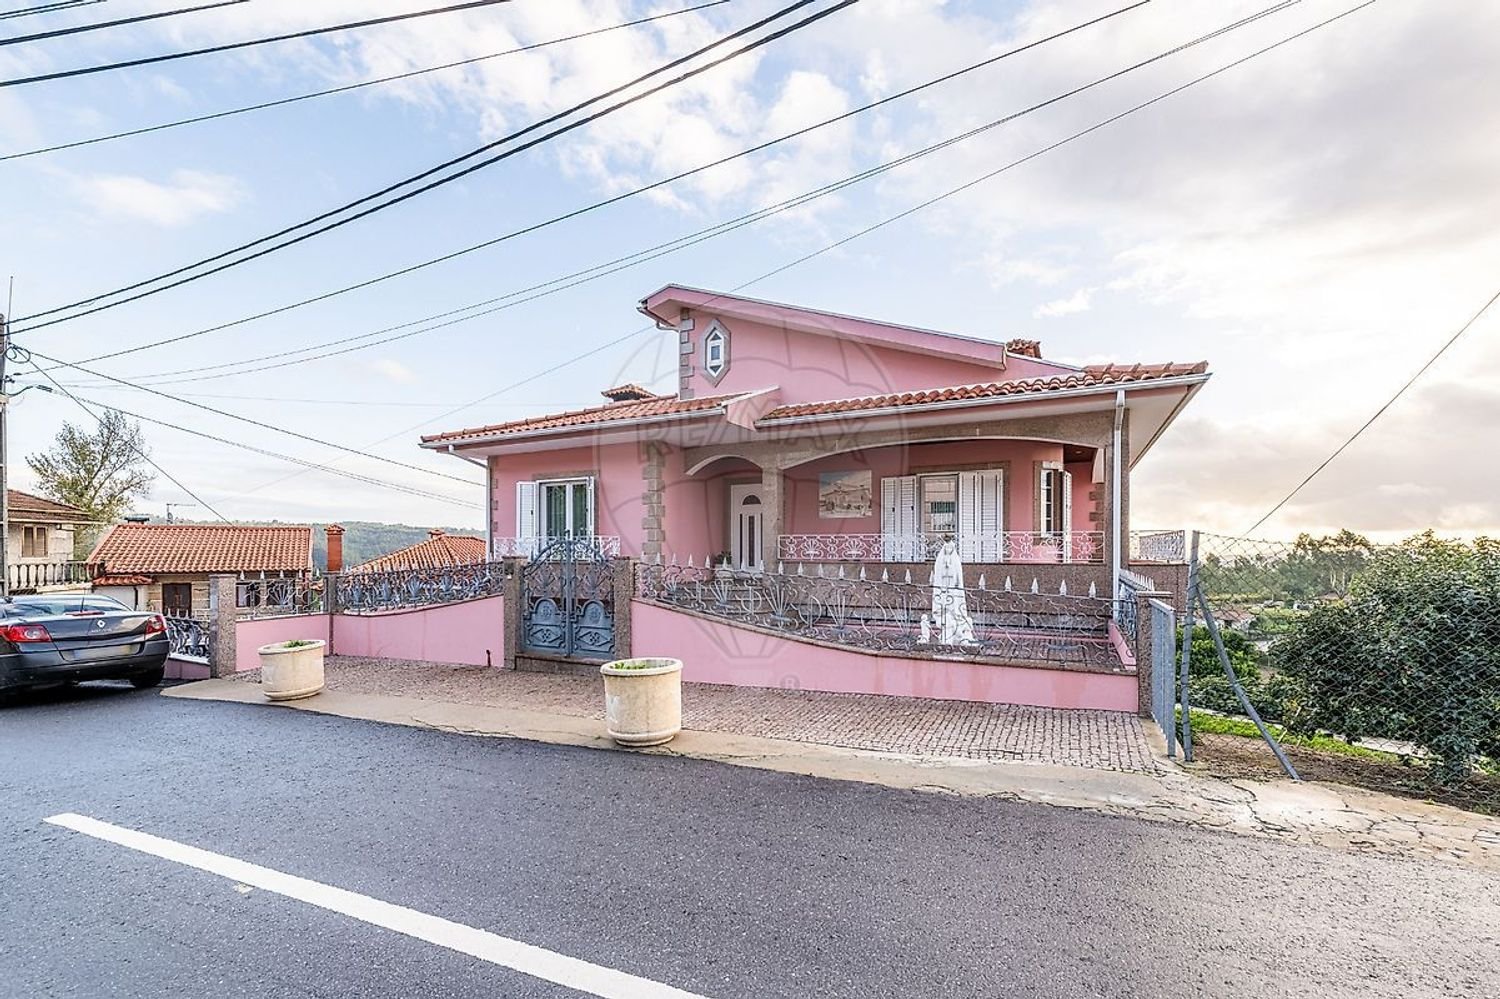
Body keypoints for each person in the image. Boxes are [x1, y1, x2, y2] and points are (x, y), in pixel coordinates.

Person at [928, 537, 975, 645]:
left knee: (955, 606)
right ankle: (946, 630)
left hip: (953, 589)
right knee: (945, 607)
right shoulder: (940, 560)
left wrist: (956, 583)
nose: (948, 550)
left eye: (950, 548)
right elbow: (938, 574)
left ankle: (958, 630)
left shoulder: (955, 560)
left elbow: (958, 575)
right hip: (944, 588)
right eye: (947, 548)